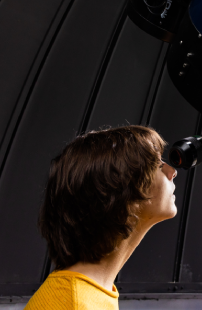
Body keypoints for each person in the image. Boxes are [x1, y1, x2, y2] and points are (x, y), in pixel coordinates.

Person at [25, 125, 177, 310]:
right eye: (157, 165)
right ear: (123, 193)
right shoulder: (72, 302)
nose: (172, 171)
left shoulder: (91, 292)